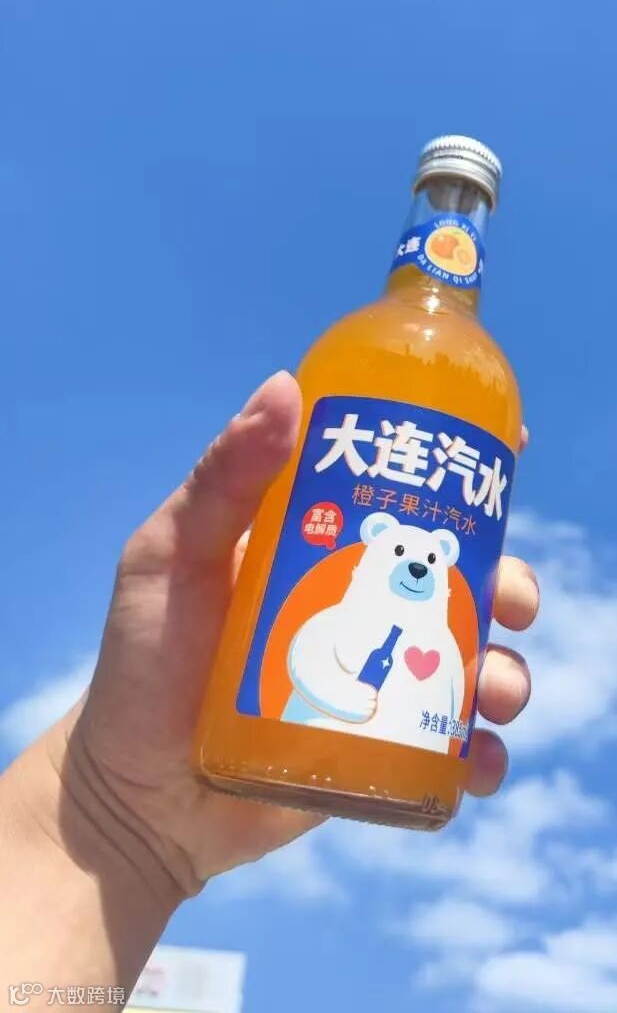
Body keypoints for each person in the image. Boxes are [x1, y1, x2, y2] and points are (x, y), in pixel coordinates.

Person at [0, 373, 538, 1001]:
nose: (417, 568)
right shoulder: (334, 617)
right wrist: (112, 812)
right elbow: (306, 656)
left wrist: (127, 836)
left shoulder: (481, 376)